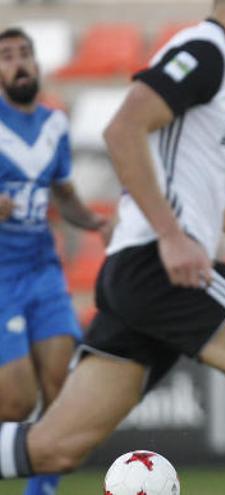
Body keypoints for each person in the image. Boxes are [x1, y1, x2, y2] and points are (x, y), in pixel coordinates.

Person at [0, 2, 225, 495]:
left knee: (55, 446)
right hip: (161, 268)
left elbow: (210, 190)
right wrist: (171, 235)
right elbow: (123, 129)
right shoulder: (204, 53)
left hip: (143, 273)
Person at [0, 26, 111, 495]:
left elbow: (62, 194)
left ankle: (40, 492)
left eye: (25, 53)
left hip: (44, 271)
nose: (20, 63)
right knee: (16, 402)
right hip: (2, 279)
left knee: (64, 398)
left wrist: (96, 223)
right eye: (7, 56)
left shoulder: (54, 124)